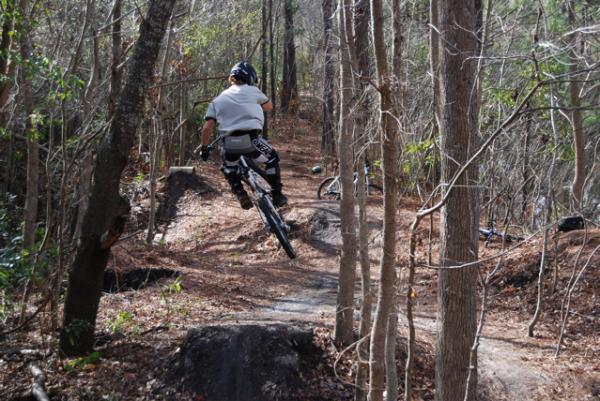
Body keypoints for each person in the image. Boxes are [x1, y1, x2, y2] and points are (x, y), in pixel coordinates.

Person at [199, 61, 288, 210]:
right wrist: (251, 105)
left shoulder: (218, 100)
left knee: (228, 166)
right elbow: (269, 105)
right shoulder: (253, 91)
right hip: (251, 142)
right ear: (250, 77)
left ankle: (240, 192)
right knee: (272, 158)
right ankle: (277, 195)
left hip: (228, 144)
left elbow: (207, 128)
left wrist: (204, 148)